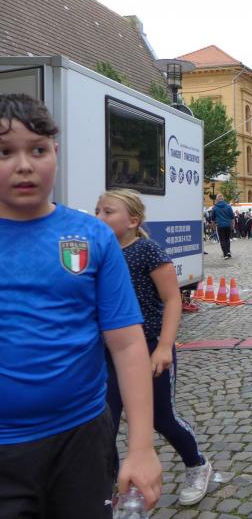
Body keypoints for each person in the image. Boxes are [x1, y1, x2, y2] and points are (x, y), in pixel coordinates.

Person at [0, 94, 161, 514]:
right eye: (4, 152)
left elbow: (127, 343)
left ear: (55, 152)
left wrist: (141, 447)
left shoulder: (92, 236)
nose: (24, 165)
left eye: (38, 150)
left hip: (81, 437)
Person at [96, 189, 212, 507]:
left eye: (108, 212)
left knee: (161, 418)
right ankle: (110, 489)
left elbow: (172, 299)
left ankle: (197, 464)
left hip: (149, 346)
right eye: (97, 211)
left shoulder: (147, 250)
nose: (99, 217)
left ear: (133, 221)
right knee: (105, 422)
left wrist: (164, 346)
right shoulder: (98, 252)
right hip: (107, 351)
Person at [212, 193, 234, 258]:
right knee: (227, 239)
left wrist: (213, 227)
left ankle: (225, 254)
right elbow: (232, 217)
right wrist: (232, 226)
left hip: (220, 225)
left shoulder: (215, 207)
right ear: (223, 199)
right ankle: (228, 252)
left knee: (222, 240)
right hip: (228, 225)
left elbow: (212, 219)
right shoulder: (228, 206)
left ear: (217, 199)